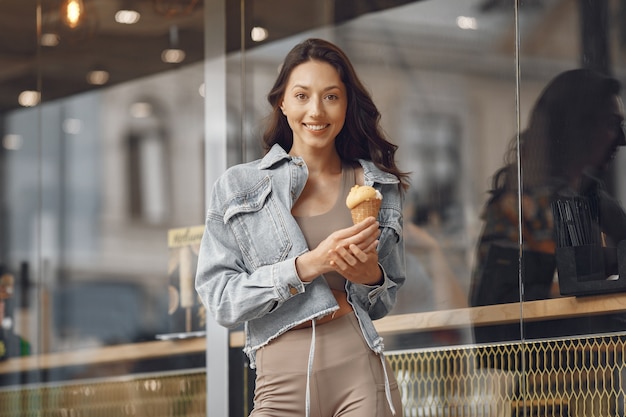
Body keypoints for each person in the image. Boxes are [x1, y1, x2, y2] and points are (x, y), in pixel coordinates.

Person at [195, 38, 409, 417]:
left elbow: (384, 297)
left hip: (358, 367)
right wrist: (307, 265)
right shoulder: (238, 187)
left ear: (346, 104)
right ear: (282, 101)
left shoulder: (377, 185)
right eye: (301, 95)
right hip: (279, 380)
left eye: (331, 97)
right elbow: (222, 301)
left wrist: (370, 277)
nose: (316, 111)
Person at [469, 68, 626, 343]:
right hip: (554, 376)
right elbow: (497, 318)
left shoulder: (593, 200)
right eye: (612, 124)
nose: (621, 139)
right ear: (581, 126)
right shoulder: (521, 208)